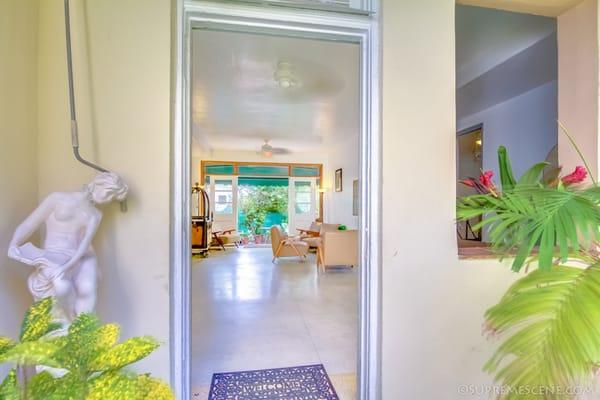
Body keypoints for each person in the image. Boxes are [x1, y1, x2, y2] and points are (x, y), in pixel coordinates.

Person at [8, 172, 128, 322]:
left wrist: (66, 266)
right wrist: (14, 243)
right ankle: (68, 324)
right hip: (54, 254)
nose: (109, 200)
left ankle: (80, 330)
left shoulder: (95, 215)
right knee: (61, 287)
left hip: (79, 255)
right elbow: (30, 224)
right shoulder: (57, 198)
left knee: (87, 290)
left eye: (113, 198)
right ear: (100, 184)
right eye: (110, 194)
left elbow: (84, 245)